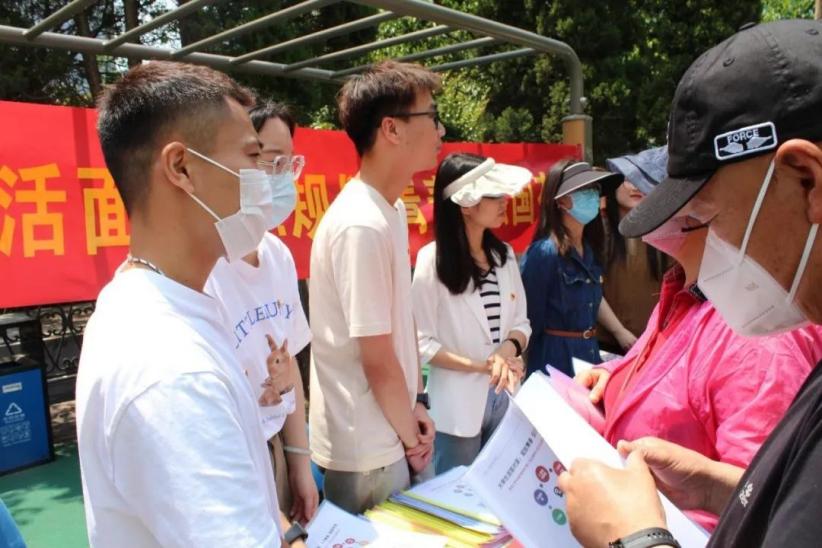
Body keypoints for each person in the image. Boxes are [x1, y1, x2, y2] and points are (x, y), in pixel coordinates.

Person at [558, 19, 822, 548]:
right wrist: (716, 488)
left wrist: (636, 537)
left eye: (707, 218)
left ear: (806, 180)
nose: (704, 245)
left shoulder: (766, 342)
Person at [76, 62, 306, 547]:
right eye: (253, 157)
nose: (267, 181)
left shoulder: (156, 303)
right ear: (181, 168)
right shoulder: (173, 369)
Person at [576, 167, 821, 530]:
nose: (650, 201)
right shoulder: (684, 294)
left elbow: (762, 510)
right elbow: (656, 362)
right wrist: (614, 374)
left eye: (700, 207)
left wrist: (637, 536)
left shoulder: (758, 328)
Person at [308, 61, 441, 514]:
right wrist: (411, 438)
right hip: (367, 448)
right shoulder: (361, 224)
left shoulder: (390, 209)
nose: (440, 129)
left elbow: (398, 329)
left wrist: (416, 405)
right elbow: (377, 358)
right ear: (392, 129)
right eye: (431, 116)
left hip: (390, 431)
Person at [204, 100, 318, 525]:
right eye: (269, 160)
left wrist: (300, 462)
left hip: (276, 447)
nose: (282, 177)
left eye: (289, 164)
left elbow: (290, 370)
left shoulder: (278, 255)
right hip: (233, 465)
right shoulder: (204, 269)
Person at [412, 153, 532, 474]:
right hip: (456, 406)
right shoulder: (431, 260)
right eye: (492, 195)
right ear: (465, 205)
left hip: (505, 395)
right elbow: (421, 343)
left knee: (504, 485)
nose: (503, 201)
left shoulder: (504, 255)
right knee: (457, 491)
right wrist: (482, 366)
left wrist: (505, 353)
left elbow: (521, 324)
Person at [520, 161, 630, 378]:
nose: (593, 197)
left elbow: (592, 295)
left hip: (589, 355)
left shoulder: (590, 248)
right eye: (584, 191)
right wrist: (525, 368)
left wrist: (620, 332)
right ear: (561, 200)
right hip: (553, 363)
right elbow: (529, 319)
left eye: (595, 190)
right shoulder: (544, 253)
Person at [597, 147, 669, 353]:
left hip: (654, 342)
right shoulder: (599, 230)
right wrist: (619, 332)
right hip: (608, 344)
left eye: (641, 180)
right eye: (628, 180)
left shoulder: (664, 230)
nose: (635, 187)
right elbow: (591, 291)